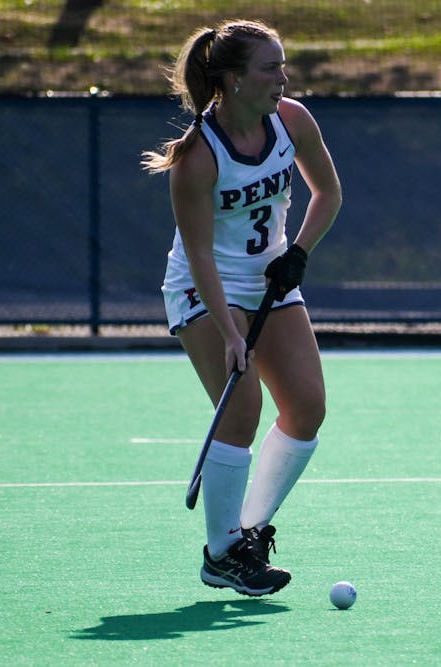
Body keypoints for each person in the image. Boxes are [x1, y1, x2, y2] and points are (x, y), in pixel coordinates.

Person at [142, 20, 342, 597]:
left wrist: (298, 253)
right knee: (243, 405)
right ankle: (222, 553)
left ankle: (248, 534)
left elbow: (328, 193)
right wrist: (231, 335)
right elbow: (200, 255)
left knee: (306, 408)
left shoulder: (293, 121)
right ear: (232, 79)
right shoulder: (196, 158)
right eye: (270, 67)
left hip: (270, 280)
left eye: (282, 65)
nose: (283, 76)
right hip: (203, 288)